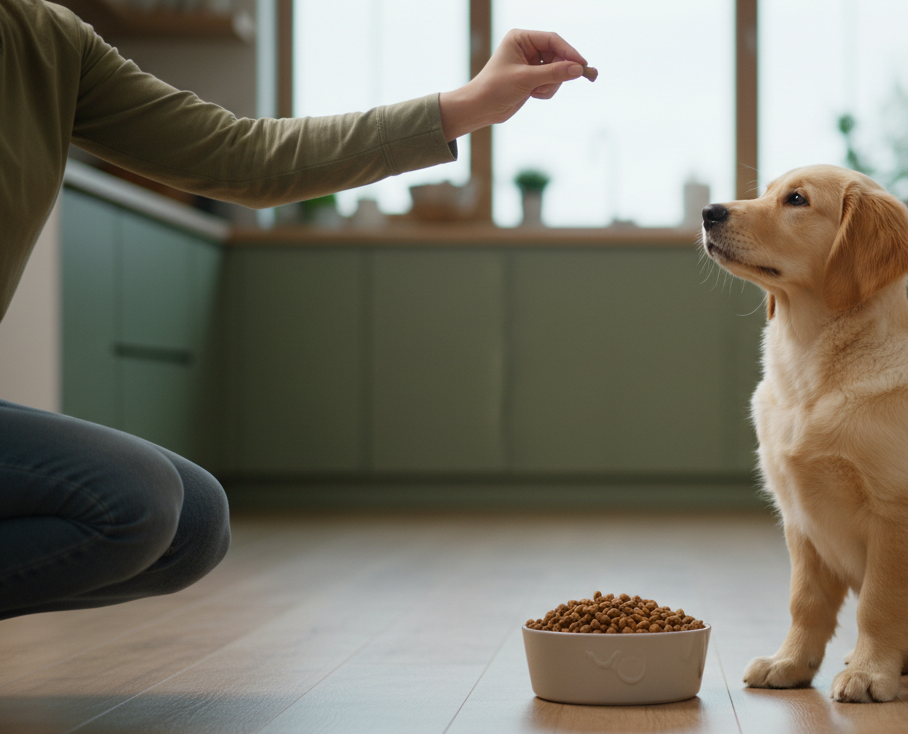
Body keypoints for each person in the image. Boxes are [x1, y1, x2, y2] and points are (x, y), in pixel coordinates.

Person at [0, 0, 590, 620]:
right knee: (137, 500)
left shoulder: (45, 40)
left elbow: (243, 156)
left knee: (194, 524)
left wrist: (472, 103)